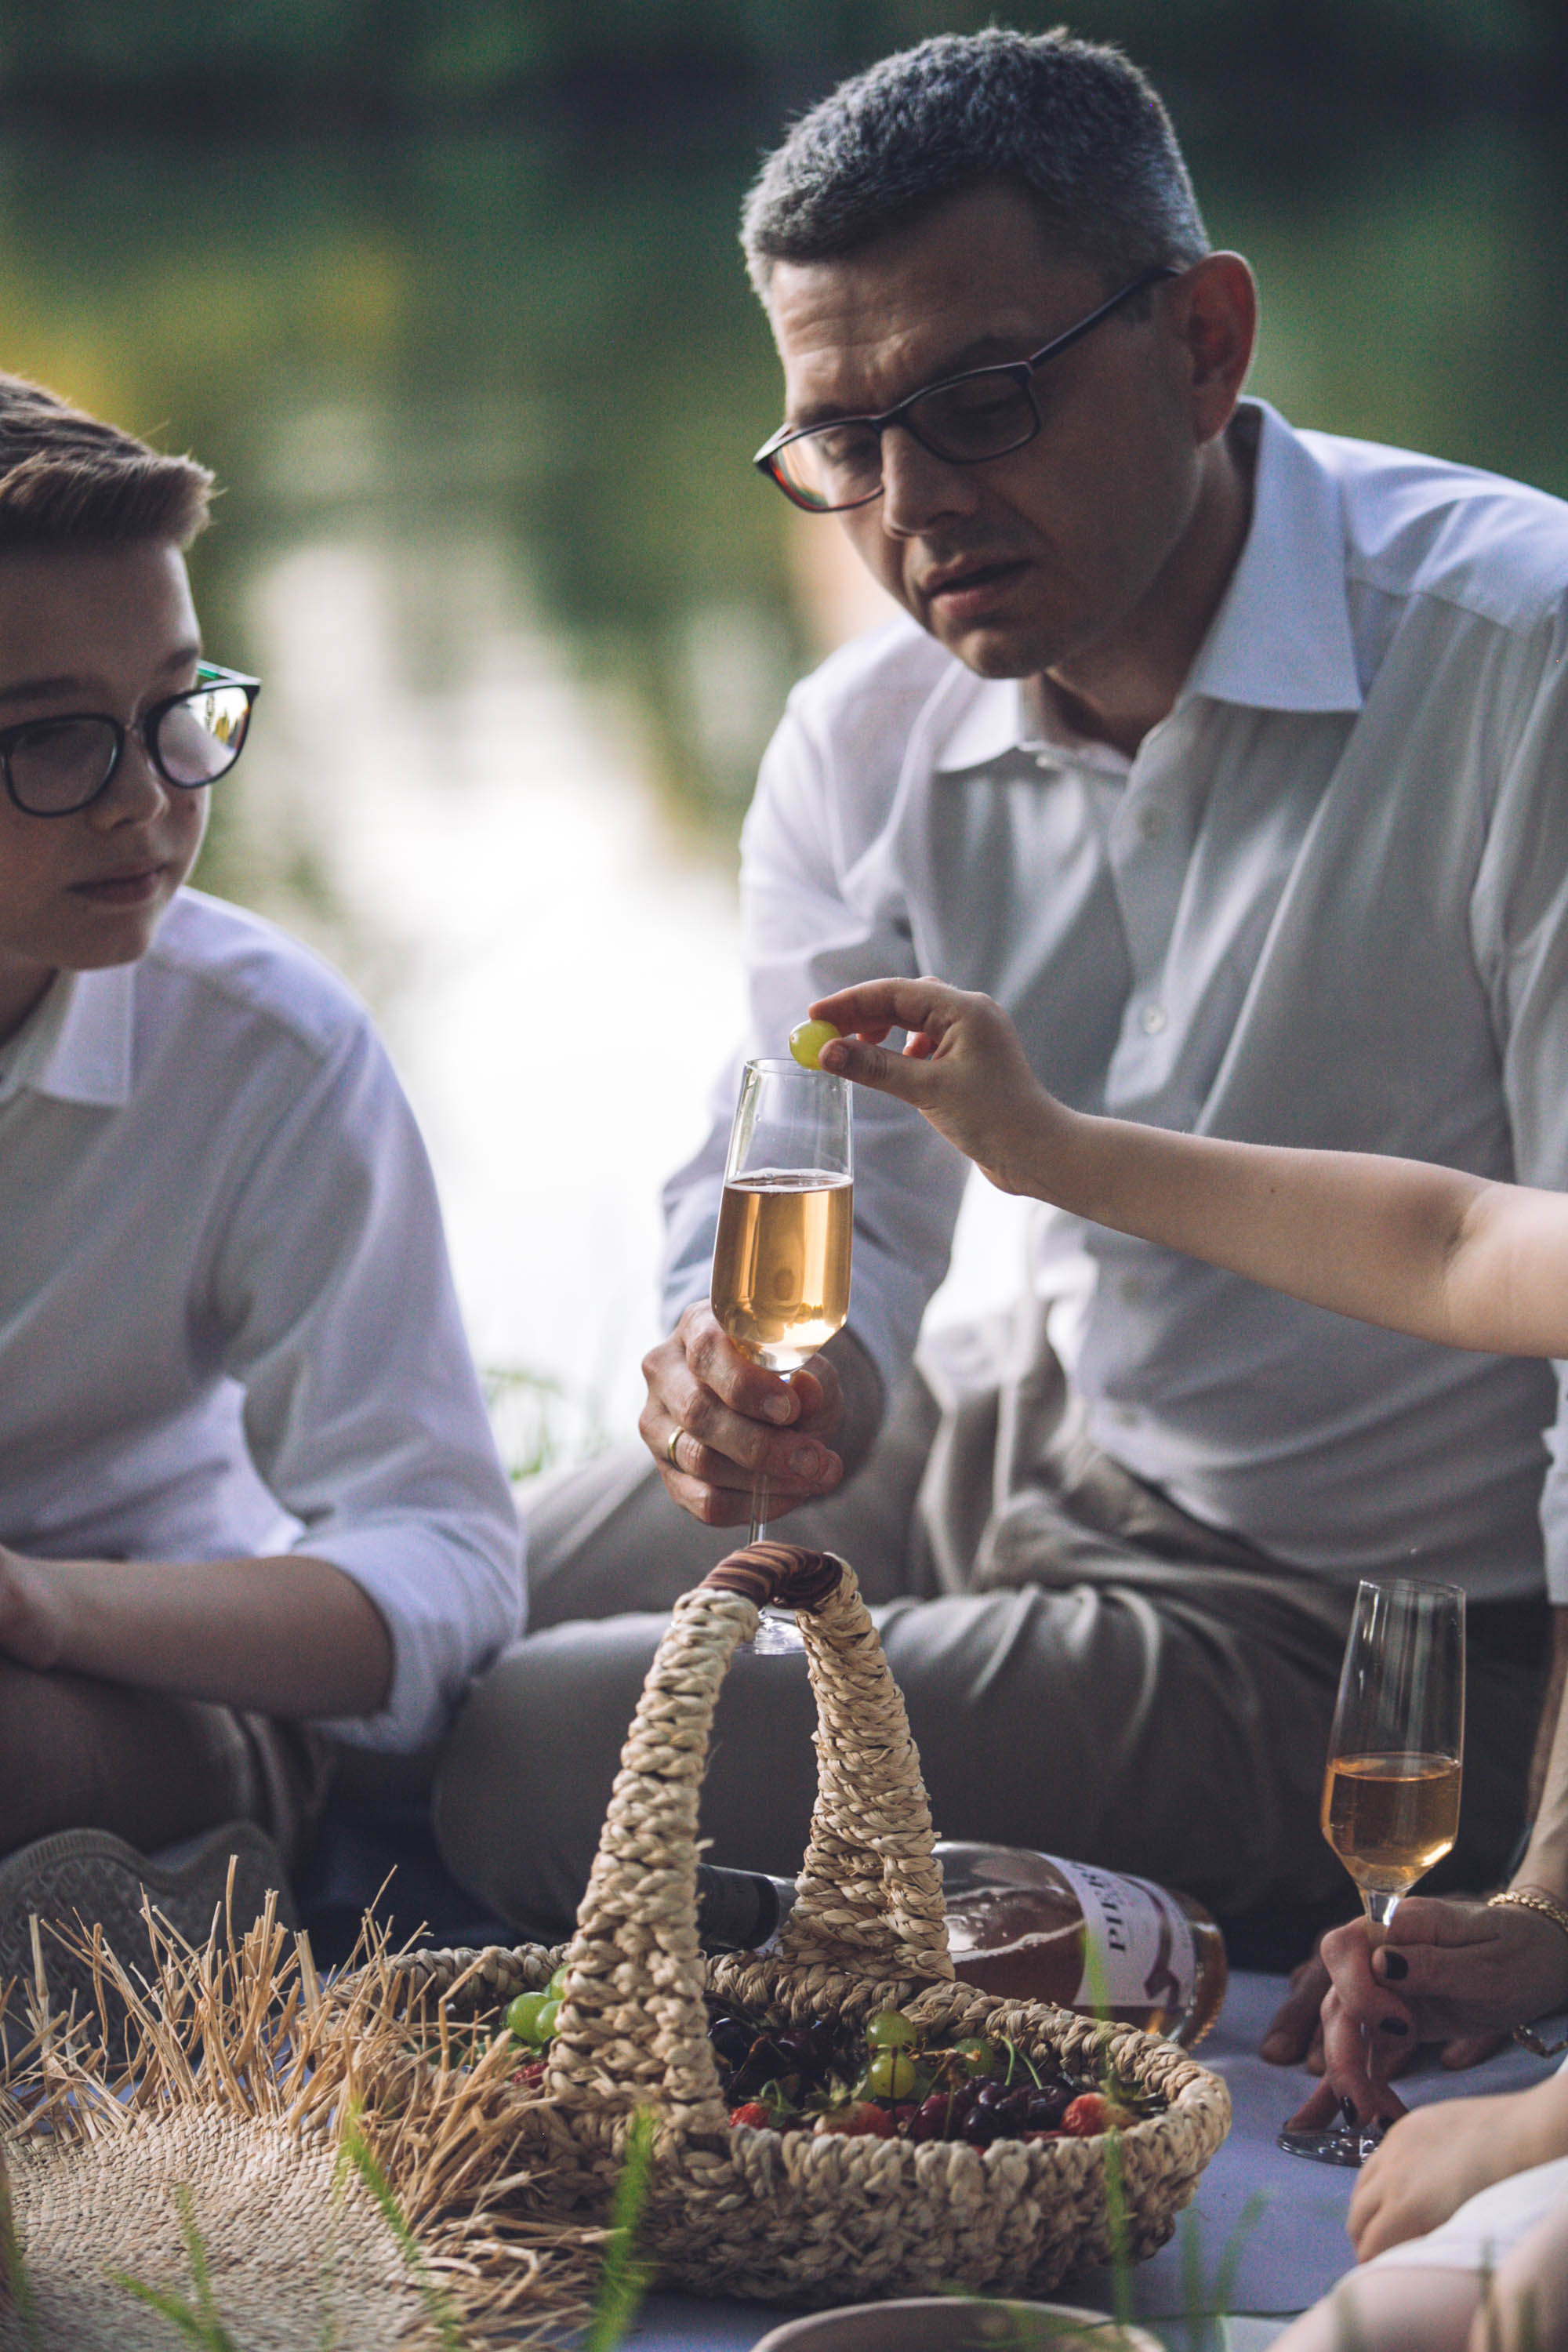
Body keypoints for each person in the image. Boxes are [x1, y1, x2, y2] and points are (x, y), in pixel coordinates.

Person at [433, 26, 1568, 2016]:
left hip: (1365, 1623)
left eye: (980, 403)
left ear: (1203, 343)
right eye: (843, 445)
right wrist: (774, 1395)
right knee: (427, 1613)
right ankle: (147, 1834)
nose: (911, 504)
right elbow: (821, 1220)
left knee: (524, 1757)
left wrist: (1555, 1893)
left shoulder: (1520, 667)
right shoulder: (862, 734)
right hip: (1022, 1431)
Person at [0, 374, 522, 2005]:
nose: (152, 800)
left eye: (176, 706)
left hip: (155, 1704)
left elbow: (446, 1559)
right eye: (55, 740)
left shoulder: (263, 1054)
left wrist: (45, 1608)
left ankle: (186, 1963)